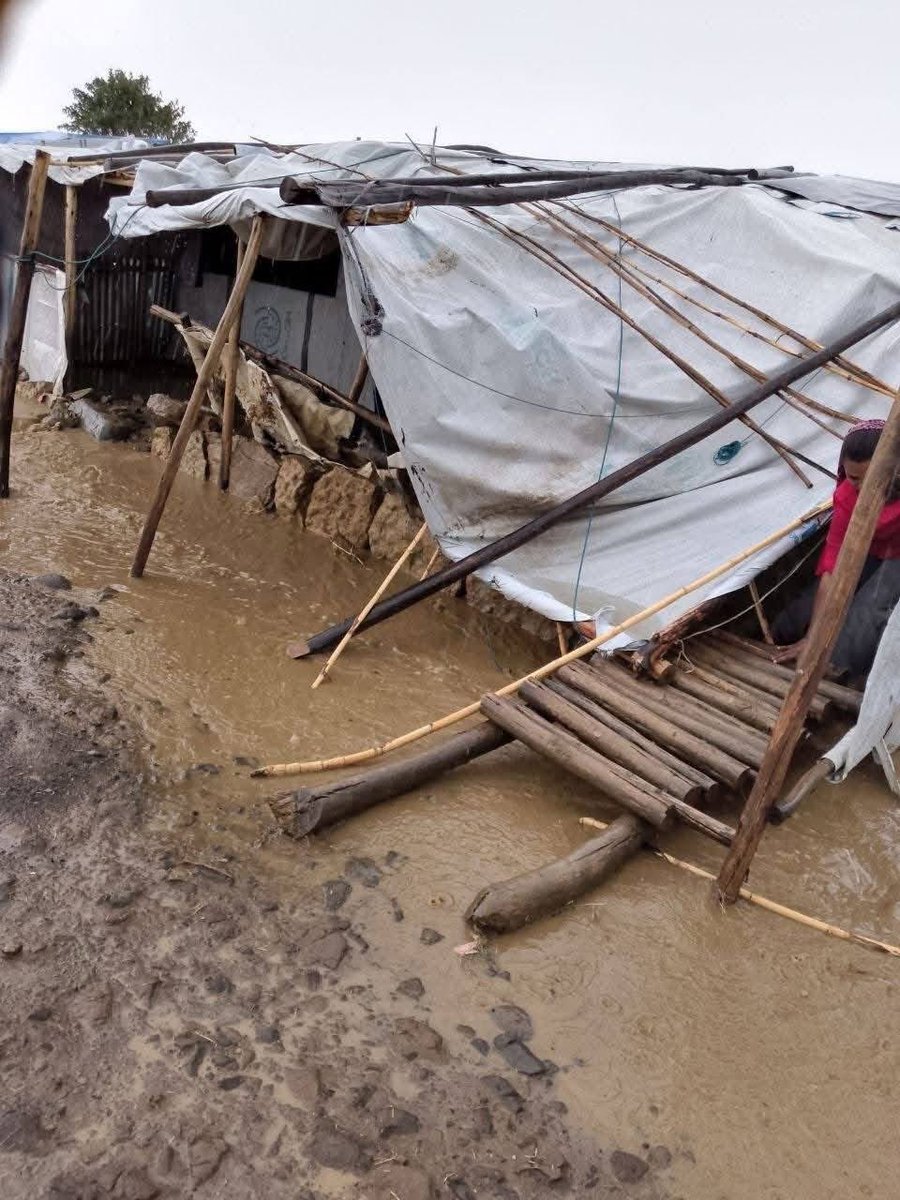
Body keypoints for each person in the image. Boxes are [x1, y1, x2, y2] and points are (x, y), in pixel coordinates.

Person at [772, 418, 900, 681]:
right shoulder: (846, 496)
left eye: (873, 479)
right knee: (798, 620)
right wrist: (814, 637)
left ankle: (844, 676)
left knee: (865, 620)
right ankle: (792, 637)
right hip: (867, 551)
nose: (863, 488)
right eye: (854, 478)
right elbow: (833, 564)